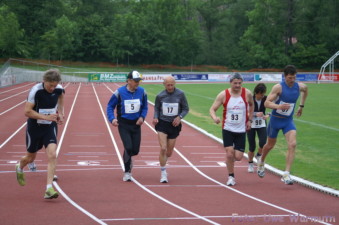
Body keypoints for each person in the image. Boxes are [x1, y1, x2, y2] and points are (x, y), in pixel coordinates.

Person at [16, 69, 65, 199]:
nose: (53, 88)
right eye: (50, 85)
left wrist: (60, 112)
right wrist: (45, 117)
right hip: (34, 128)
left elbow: (60, 99)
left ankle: (49, 188)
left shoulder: (59, 89)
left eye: (55, 85)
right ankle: (20, 166)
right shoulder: (35, 91)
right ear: (45, 81)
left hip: (50, 127)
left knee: (52, 154)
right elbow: (27, 111)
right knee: (30, 157)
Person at [257, 65, 308, 185]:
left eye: (294, 77)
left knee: (293, 144)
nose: (292, 80)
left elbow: (306, 91)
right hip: (275, 120)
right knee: (270, 145)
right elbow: (266, 103)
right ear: (284, 76)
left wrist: (301, 106)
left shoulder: (300, 86)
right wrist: (278, 106)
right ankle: (261, 161)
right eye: (290, 77)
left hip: (288, 121)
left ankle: (286, 173)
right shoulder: (278, 88)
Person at [209, 73, 254, 186]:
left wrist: (249, 120)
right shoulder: (223, 94)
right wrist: (215, 118)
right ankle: (231, 177)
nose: (237, 85)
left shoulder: (247, 93)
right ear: (231, 83)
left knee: (238, 157)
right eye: (235, 83)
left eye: (239, 83)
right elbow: (212, 109)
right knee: (229, 154)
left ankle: (229, 162)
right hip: (228, 128)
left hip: (241, 130)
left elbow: (252, 105)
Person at [107, 70, 148, 182]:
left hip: (136, 124)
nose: (137, 83)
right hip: (123, 123)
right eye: (135, 81)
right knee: (128, 147)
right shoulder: (119, 92)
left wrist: (142, 117)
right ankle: (127, 172)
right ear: (128, 81)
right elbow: (110, 106)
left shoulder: (142, 92)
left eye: (139, 81)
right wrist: (112, 119)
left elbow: (145, 107)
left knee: (135, 150)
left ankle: (129, 157)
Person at [152, 76, 189, 183]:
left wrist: (179, 117)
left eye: (172, 84)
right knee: (163, 148)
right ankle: (163, 173)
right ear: (164, 84)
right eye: (168, 85)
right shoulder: (160, 96)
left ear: (175, 84)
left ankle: (164, 160)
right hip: (162, 123)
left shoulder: (180, 94)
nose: (170, 87)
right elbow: (157, 108)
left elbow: (186, 108)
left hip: (174, 125)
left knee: (169, 152)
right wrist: (155, 117)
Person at [247, 83, 270, 173]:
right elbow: (245, 112)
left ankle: (258, 155)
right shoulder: (250, 100)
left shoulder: (266, 99)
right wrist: (255, 114)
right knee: (252, 146)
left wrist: (267, 115)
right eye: (261, 94)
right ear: (256, 93)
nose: (262, 96)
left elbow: (273, 108)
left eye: (263, 94)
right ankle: (250, 163)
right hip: (251, 124)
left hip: (262, 124)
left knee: (263, 142)